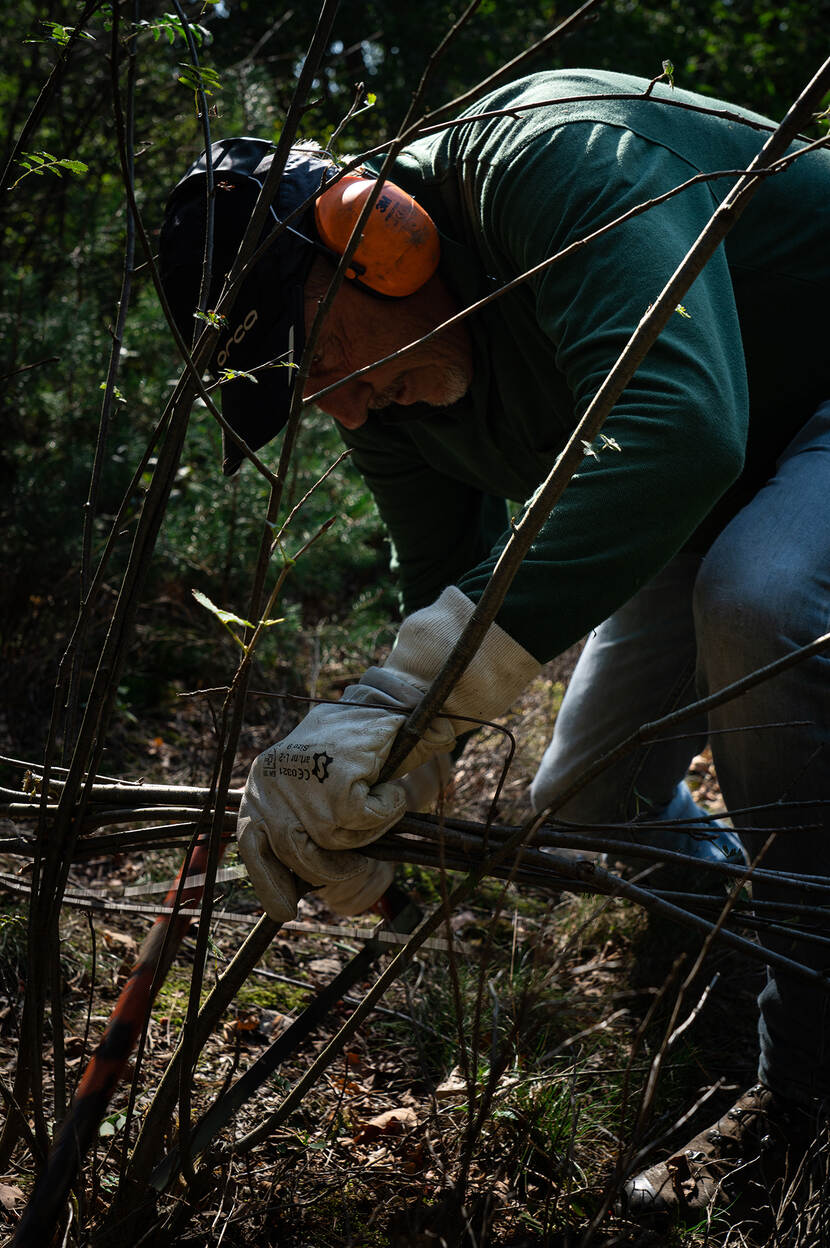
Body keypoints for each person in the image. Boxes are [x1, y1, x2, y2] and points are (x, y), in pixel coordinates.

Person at [160, 68, 830, 1225]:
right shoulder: (388, 393)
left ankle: (808, 1101)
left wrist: (410, 693)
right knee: (583, 790)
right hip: (714, 478)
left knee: (756, 599)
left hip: (781, 422)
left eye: (320, 366)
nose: (346, 414)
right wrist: (390, 764)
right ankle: (740, 933)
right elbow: (446, 590)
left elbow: (678, 430)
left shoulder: (557, 161)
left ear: (379, 241)